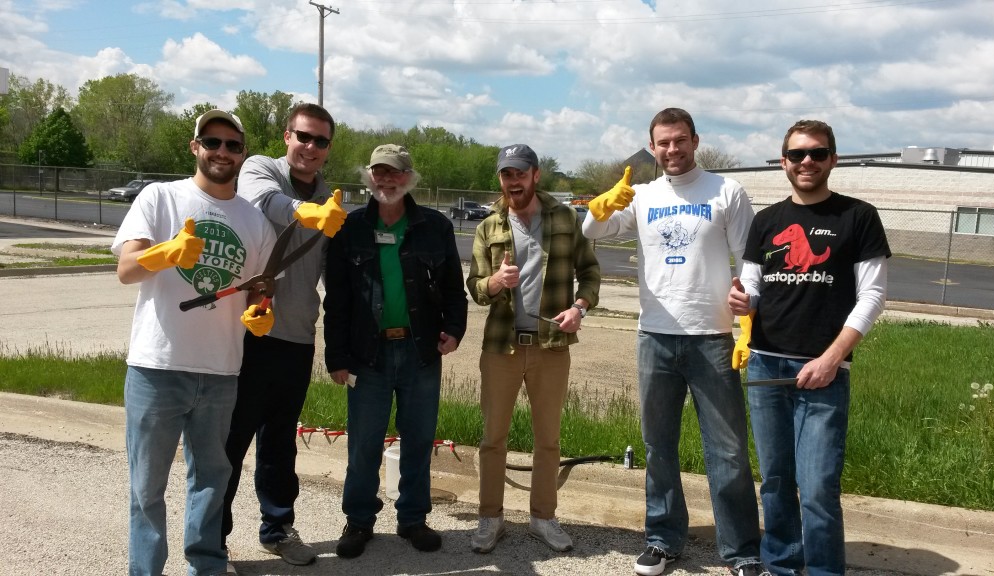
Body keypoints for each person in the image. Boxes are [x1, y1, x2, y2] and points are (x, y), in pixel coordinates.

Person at [581, 108, 768, 576]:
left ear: (695, 141)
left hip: (712, 337)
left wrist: (749, 305)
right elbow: (593, 232)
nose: (672, 149)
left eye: (680, 140)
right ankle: (663, 539)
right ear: (652, 147)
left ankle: (742, 550)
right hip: (655, 337)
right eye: (663, 142)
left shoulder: (726, 191)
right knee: (658, 446)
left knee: (728, 451)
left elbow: (750, 257)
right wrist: (600, 207)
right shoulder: (642, 195)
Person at [112, 109, 277, 576]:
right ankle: (146, 570)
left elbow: (260, 289)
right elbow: (126, 269)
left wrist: (262, 311)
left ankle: (205, 565)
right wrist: (165, 253)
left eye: (232, 145)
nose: (222, 152)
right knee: (147, 486)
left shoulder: (255, 221)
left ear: (243, 154)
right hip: (157, 367)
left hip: (222, 371)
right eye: (212, 141)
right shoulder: (160, 197)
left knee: (211, 478)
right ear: (195, 147)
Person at [729, 120, 890, 576]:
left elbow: (873, 297)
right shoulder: (766, 221)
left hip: (824, 372)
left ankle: (823, 570)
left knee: (818, 487)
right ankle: (781, 564)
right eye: (797, 154)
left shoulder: (858, 216)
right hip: (766, 365)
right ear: (783, 161)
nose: (807, 162)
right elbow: (754, 288)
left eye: (817, 153)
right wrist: (743, 301)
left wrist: (832, 358)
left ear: (832, 159)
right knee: (776, 480)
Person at [323, 144, 468, 558]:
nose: (387, 180)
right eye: (380, 172)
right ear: (369, 176)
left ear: (409, 177)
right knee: (363, 444)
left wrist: (454, 330)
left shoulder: (435, 227)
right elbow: (337, 298)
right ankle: (358, 521)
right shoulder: (349, 227)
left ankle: (413, 519)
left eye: (395, 172)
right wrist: (336, 356)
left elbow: (453, 289)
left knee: (418, 440)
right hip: (366, 355)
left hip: (421, 350)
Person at [220, 103, 346, 567]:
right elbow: (265, 203)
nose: (310, 147)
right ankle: (213, 538)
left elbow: (333, 275)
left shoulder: (330, 198)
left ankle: (277, 528)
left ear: (328, 149)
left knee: (279, 443)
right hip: (247, 334)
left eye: (320, 141)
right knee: (230, 442)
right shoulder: (262, 169)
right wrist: (308, 212)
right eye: (303, 136)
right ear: (287, 136)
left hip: (296, 338)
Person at [466, 144, 600, 555]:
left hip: (551, 347)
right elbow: (475, 287)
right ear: (501, 178)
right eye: (506, 174)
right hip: (501, 347)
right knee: (493, 438)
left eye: (520, 173)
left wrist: (579, 308)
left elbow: (590, 271)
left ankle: (543, 518)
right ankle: (491, 518)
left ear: (535, 175)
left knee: (548, 440)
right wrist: (494, 283)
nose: (514, 181)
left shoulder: (565, 218)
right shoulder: (489, 226)